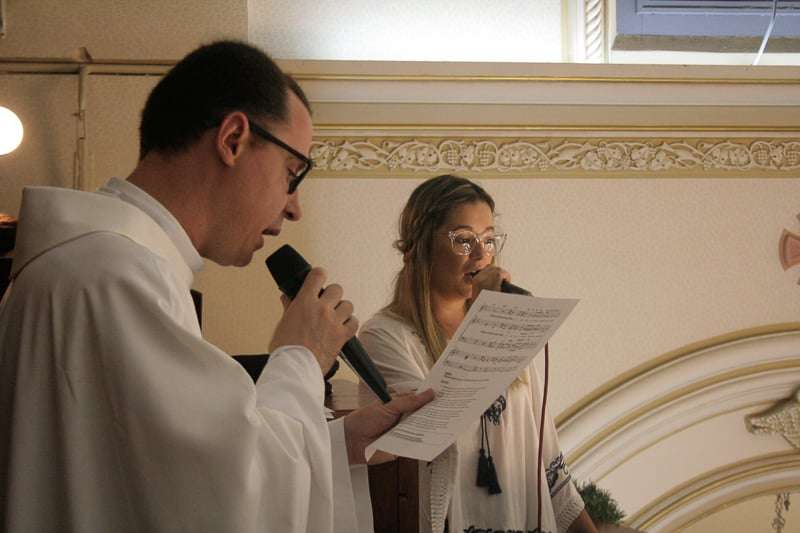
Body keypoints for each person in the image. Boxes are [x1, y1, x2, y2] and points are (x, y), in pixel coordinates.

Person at [0, 41, 432, 533]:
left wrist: (339, 444)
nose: (294, 208)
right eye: (292, 174)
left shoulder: (105, 267)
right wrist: (302, 354)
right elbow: (227, 503)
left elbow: (173, 475)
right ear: (233, 139)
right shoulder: (113, 277)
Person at [359, 175, 597, 533]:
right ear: (419, 246)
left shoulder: (508, 331)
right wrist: (493, 316)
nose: (482, 255)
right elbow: (433, 429)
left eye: (488, 239)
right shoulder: (384, 336)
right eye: (464, 240)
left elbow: (547, 463)